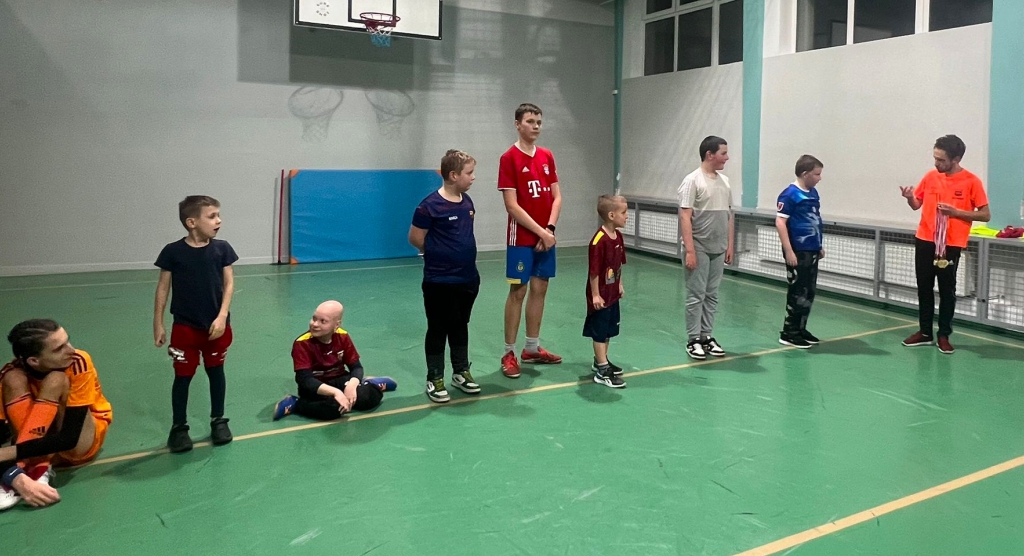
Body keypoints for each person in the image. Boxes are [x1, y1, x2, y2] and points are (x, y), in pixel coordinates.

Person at [154, 195, 238, 453]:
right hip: (185, 328)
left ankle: (218, 420)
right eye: (211, 216)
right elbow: (163, 288)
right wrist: (158, 323)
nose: (218, 220)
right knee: (183, 377)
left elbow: (229, 284)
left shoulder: (222, 249)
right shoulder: (173, 252)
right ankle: (179, 427)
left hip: (216, 327)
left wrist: (222, 315)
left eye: (218, 215)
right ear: (192, 222)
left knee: (216, 371)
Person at [0, 319, 113, 510]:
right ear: (34, 361)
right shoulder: (9, 372)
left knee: (56, 379)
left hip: (77, 444)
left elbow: (69, 439)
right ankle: (33, 469)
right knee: (13, 379)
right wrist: (15, 478)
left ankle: (37, 467)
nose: (72, 350)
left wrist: (5, 456)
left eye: (67, 341)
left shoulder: (78, 361)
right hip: (34, 442)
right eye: (59, 348)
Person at [900, 135, 990, 354]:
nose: (936, 163)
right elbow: (917, 204)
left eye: (941, 160)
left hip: (950, 244)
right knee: (924, 287)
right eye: (935, 158)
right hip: (925, 240)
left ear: (956, 159)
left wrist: (956, 212)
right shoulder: (931, 176)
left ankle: (944, 335)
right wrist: (910, 197)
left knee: (947, 290)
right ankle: (925, 332)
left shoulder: (971, 181)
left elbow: (985, 215)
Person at [408, 149, 482, 403]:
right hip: (439, 281)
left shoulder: (467, 202)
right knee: (438, 328)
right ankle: (435, 377)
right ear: (453, 175)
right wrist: (440, 255)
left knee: (460, 325)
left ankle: (460, 371)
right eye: (469, 173)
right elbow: (415, 238)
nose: (473, 177)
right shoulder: (428, 206)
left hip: (467, 279)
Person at [498, 103, 563, 378]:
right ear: (517, 124)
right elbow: (511, 205)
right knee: (518, 291)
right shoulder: (509, 158)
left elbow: (557, 196)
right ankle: (509, 353)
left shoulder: (547, 156)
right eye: (530, 121)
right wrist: (541, 233)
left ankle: (532, 348)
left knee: (541, 287)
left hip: (545, 237)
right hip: (522, 238)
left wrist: (549, 229)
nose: (536, 126)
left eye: (538, 122)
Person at [273, 301, 396, 420]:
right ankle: (296, 404)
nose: (315, 324)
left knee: (369, 398)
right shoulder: (302, 343)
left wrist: (352, 385)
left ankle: (368, 383)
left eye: (323, 321)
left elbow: (356, 367)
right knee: (332, 409)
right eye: (314, 319)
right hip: (316, 386)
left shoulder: (343, 336)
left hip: (340, 379)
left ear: (336, 325)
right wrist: (336, 393)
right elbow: (305, 379)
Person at [677, 136, 734, 360]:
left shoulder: (725, 182)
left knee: (712, 294)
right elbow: (685, 216)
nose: (726, 158)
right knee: (696, 294)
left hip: (718, 247)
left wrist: (729, 245)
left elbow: (729, 215)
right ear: (710, 155)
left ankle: (706, 336)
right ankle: (694, 339)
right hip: (699, 247)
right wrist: (690, 250)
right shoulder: (692, 181)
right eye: (723, 153)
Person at [776, 155, 825, 348]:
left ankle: (801, 328)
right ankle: (789, 332)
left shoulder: (813, 193)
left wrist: (818, 245)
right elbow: (781, 222)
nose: (819, 178)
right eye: (816, 174)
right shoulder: (790, 195)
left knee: (809, 290)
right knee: (797, 290)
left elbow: (815, 219)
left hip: (811, 248)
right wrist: (789, 250)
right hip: (798, 249)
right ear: (805, 174)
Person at [584, 195, 629, 389]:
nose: (627, 216)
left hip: (612, 294)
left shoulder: (618, 237)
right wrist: (595, 294)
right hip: (601, 295)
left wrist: (619, 284)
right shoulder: (598, 241)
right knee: (600, 332)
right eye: (624, 212)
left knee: (609, 330)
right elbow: (594, 271)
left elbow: (618, 264)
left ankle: (601, 360)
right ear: (611, 215)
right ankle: (602, 370)